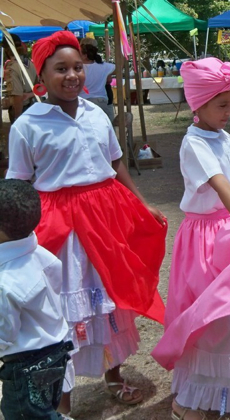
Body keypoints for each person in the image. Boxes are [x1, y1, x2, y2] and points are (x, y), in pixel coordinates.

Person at [6, 31, 168, 415]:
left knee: (109, 296)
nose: (72, 76)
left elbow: (115, 164)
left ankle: (113, 375)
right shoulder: (27, 126)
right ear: (41, 74)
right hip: (61, 227)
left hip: (105, 217)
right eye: (61, 69)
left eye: (78, 67)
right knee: (65, 307)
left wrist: (141, 203)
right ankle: (62, 401)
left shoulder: (97, 113)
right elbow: (19, 182)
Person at [150, 57, 230, 420]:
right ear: (200, 104)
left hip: (228, 232)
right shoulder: (193, 144)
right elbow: (219, 183)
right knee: (212, 318)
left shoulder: (227, 139)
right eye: (222, 104)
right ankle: (189, 400)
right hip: (206, 238)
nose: (229, 111)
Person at [0, 179, 75, 420]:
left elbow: (4, 335)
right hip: (55, 354)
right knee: (45, 410)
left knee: (24, 415)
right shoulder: (39, 254)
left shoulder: (5, 284)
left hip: (26, 368)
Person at [2, 33, 38, 123]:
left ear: (7, 49)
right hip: (33, 106)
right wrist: (30, 94)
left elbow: (18, 97)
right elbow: (40, 86)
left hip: (21, 110)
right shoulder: (31, 63)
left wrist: (17, 119)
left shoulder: (12, 68)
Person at [79, 37, 116, 122]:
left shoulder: (76, 67)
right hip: (101, 100)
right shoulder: (104, 66)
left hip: (82, 101)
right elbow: (120, 66)